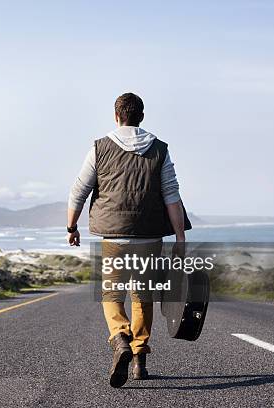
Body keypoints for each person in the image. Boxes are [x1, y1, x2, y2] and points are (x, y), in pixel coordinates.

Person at [66, 92, 190, 388]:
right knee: (142, 297)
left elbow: (79, 190)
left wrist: (71, 227)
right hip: (149, 236)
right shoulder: (160, 149)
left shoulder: (99, 147)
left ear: (116, 115)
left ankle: (120, 337)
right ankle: (139, 360)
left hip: (114, 236)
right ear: (141, 117)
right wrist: (180, 237)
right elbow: (171, 194)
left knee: (112, 294)